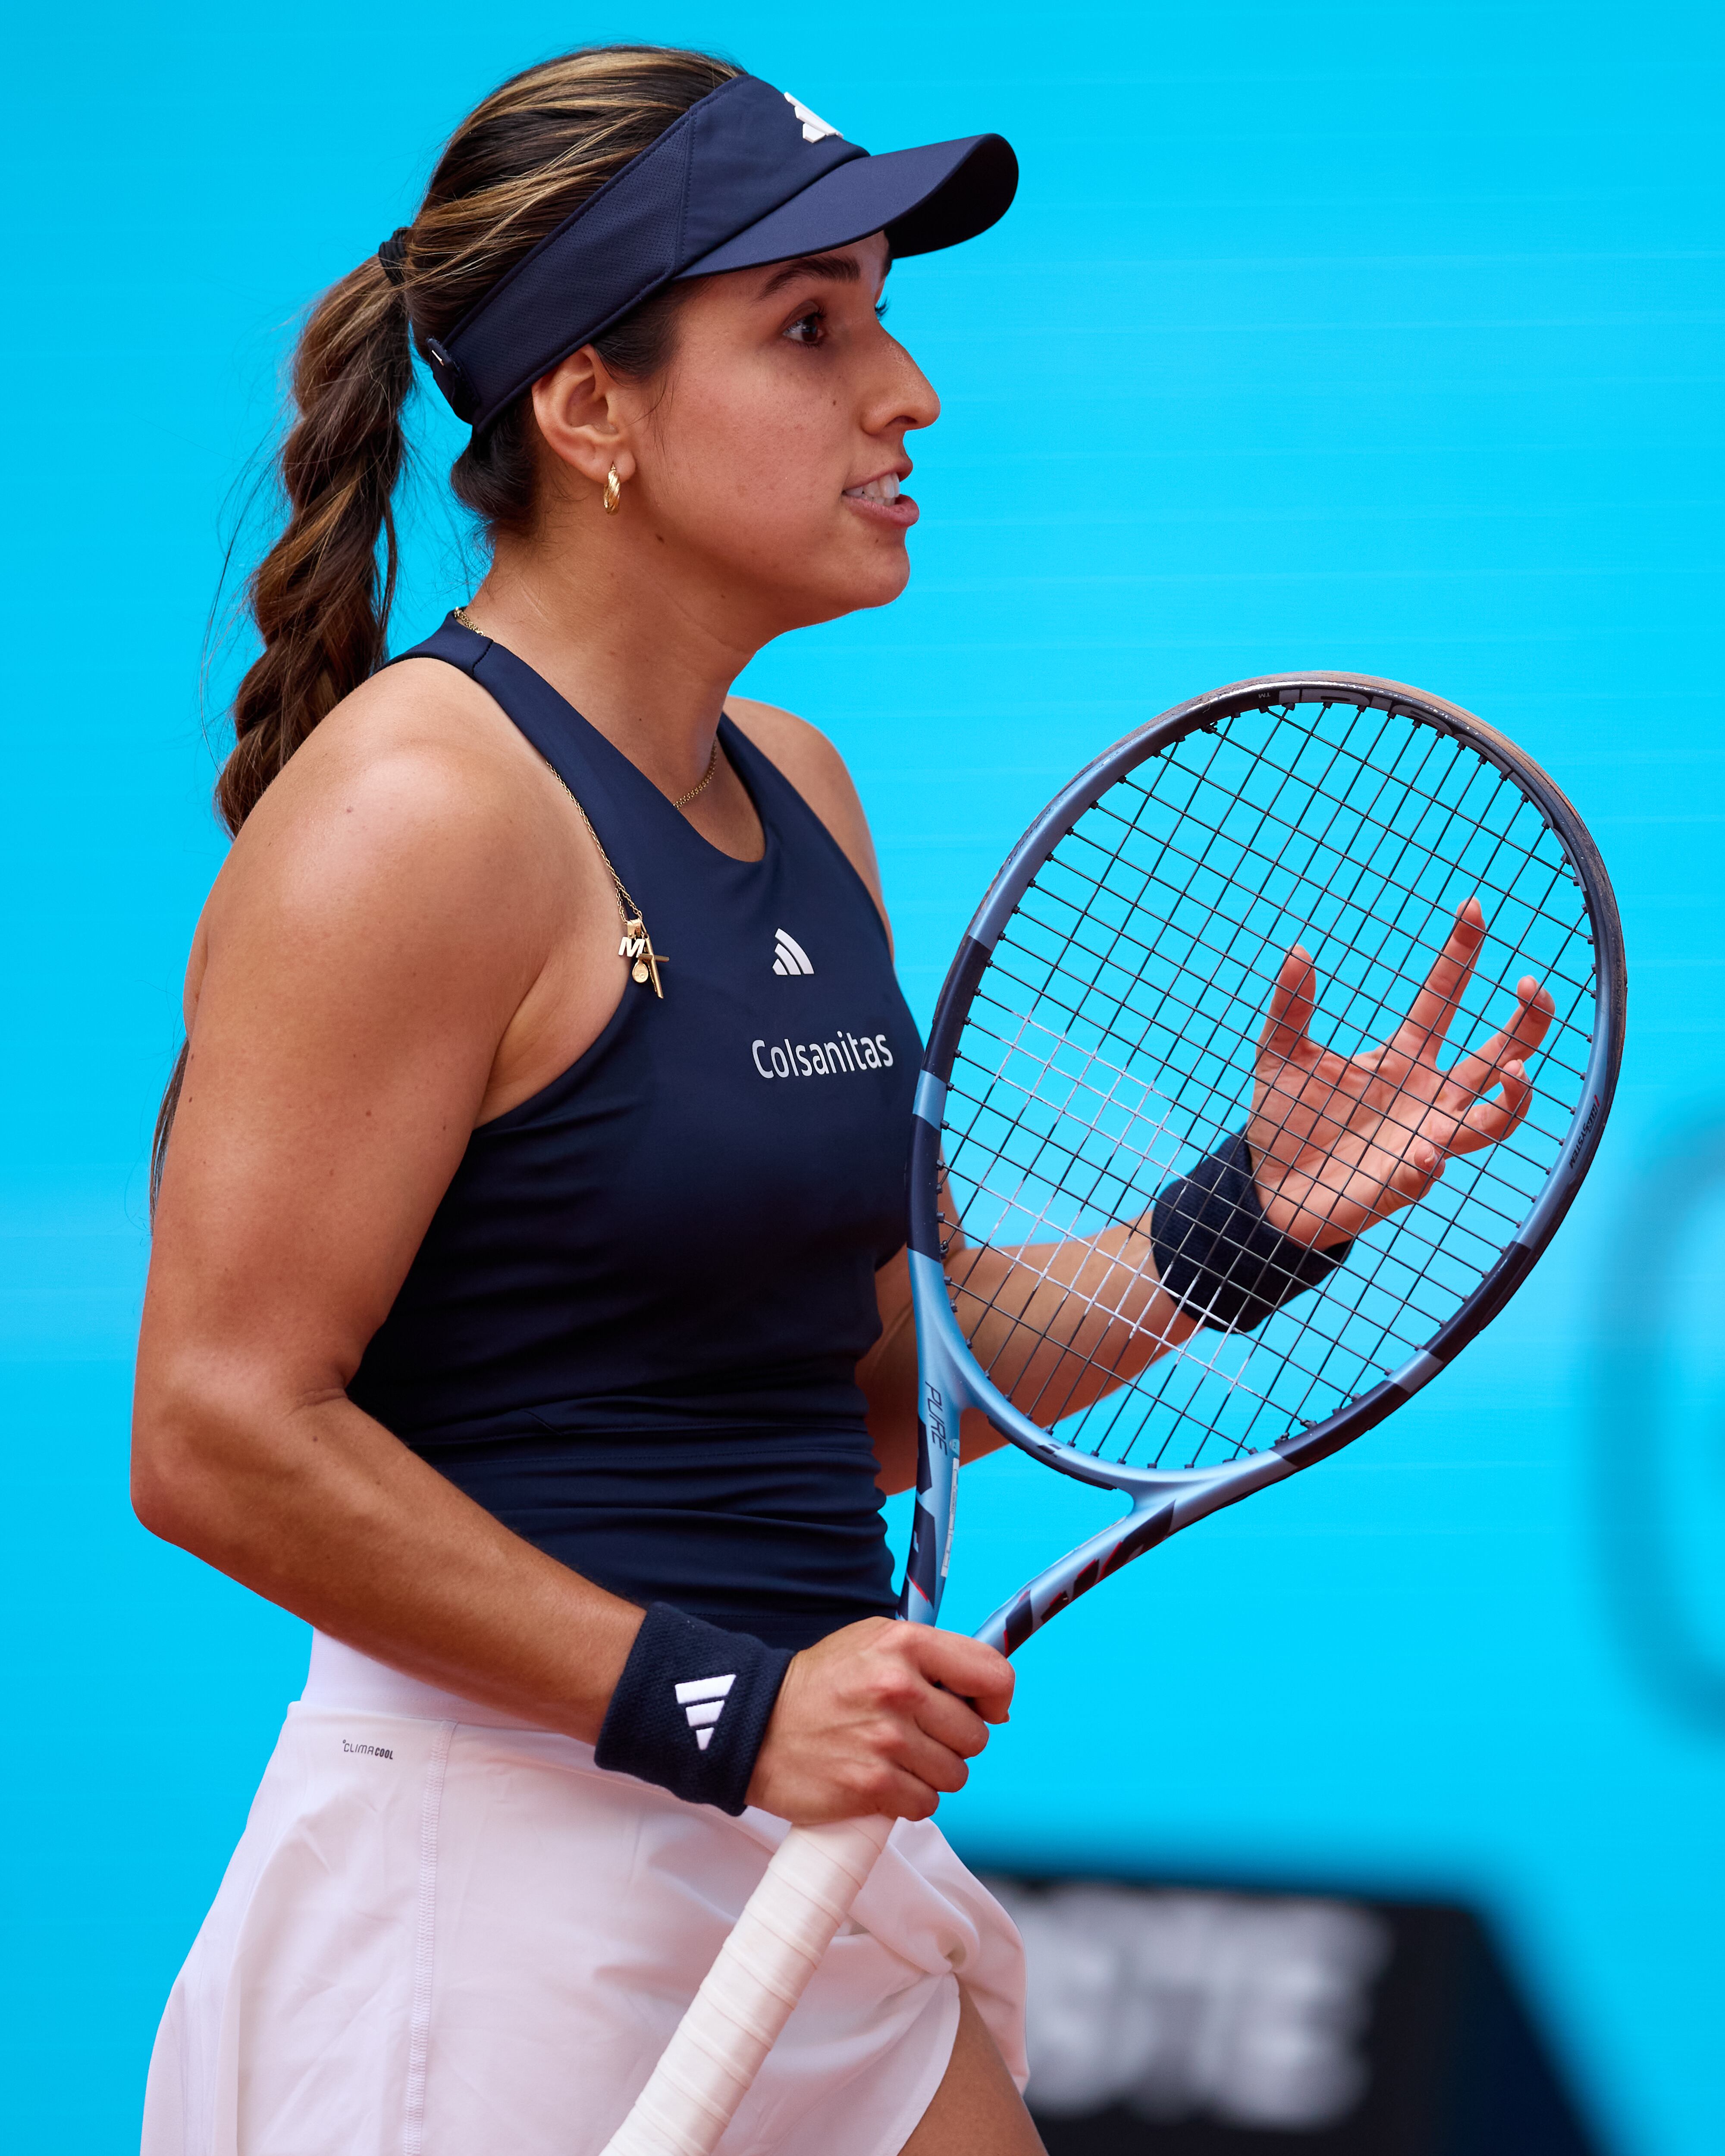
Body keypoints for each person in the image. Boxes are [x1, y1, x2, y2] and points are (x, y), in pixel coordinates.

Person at [133, 45, 1551, 2156]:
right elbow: (217, 1433)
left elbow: (896, 1383)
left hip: (783, 1849)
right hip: (493, 1891)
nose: (907, 393)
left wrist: (1238, 1216)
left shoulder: (799, 790)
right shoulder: (411, 816)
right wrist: (727, 1704)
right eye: (811, 328)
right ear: (587, 411)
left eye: (880, 313)